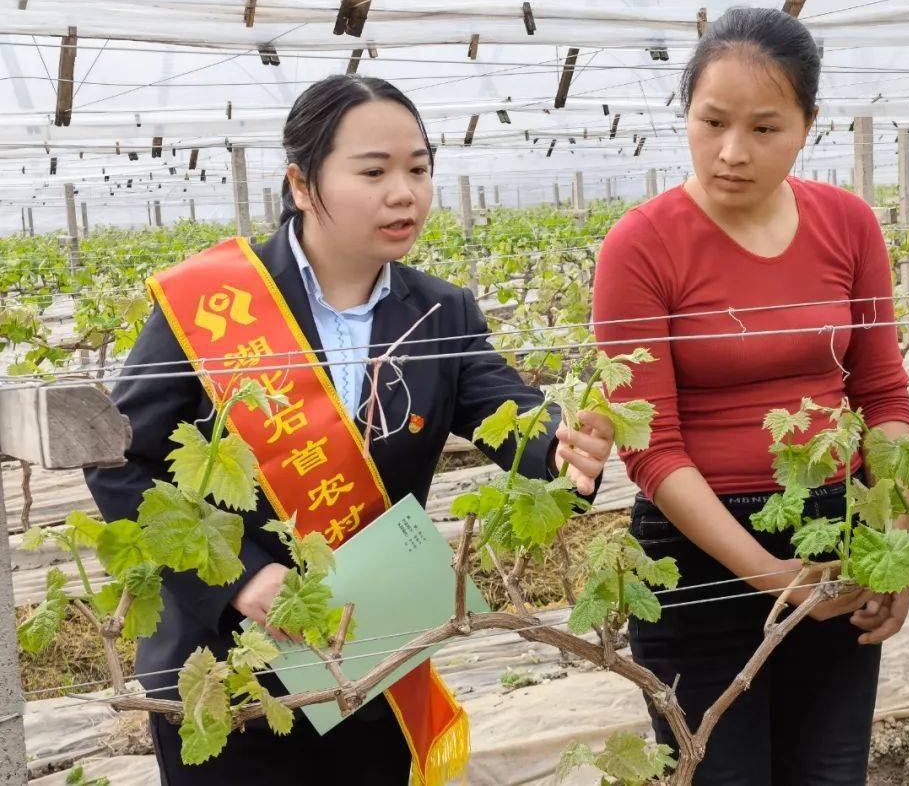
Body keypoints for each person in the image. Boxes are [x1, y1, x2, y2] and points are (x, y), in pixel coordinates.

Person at [84, 74, 614, 786]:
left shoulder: (441, 312)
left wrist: (562, 446)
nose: (405, 193)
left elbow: (509, 412)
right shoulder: (209, 304)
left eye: (419, 170)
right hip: (226, 665)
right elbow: (121, 461)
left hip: (370, 653)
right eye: (374, 172)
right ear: (303, 185)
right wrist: (242, 579)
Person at [592, 7, 909, 785]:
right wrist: (772, 576)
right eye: (712, 122)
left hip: (833, 534)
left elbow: (882, 392)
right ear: (688, 116)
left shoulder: (848, 225)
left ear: (808, 125)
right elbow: (651, 445)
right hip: (698, 560)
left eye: (765, 129)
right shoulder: (640, 244)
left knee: (829, 773)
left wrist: (897, 542)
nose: (731, 153)